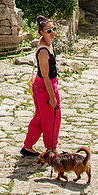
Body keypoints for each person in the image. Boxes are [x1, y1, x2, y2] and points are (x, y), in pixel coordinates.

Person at [21, 15, 61, 157]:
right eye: (48, 30)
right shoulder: (43, 50)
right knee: (51, 118)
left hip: (45, 86)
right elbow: (45, 76)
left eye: (53, 29)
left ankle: (28, 146)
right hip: (45, 87)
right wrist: (52, 97)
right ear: (41, 33)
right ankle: (51, 148)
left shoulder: (47, 42)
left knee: (39, 117)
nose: (52, 32)